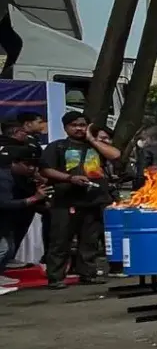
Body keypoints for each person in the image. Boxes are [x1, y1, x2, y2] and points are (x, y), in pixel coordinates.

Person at [39, 111, 120, 289]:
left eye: (82, 125)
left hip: (94, 201)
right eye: (74, 125)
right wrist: (70, 178)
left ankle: (88, 274)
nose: (78, 129)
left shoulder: (96, 146)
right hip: (65, 201)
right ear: (65, 128)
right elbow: (46, 170)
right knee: (60, 241)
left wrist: (92, 139)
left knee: (90, 241)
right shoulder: (58, 146)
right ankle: (56, 277)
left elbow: (115, 155)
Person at [0, 140, 47, 291]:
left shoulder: (20, 176)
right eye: (27, 164)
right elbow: (4, 203)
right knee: (4, 248)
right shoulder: (4, 177)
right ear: (14, 163)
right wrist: (34, 198)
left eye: (34, 165)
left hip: (8, 219)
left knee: (8, 247)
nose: (31, 168)